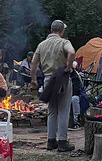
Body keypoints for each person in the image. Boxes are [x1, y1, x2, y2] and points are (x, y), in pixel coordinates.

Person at [29, 20, 76, 152]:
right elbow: (72, 52)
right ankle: (62, 141)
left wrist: (34, 80)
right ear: (61, 31)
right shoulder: (64, 42)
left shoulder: (42, 44)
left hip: (48, 80)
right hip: (62, 78)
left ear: (51, 30)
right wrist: (68, 67)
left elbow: (33, 63)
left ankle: (51, 141)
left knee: (52, 111)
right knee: (63, 111)